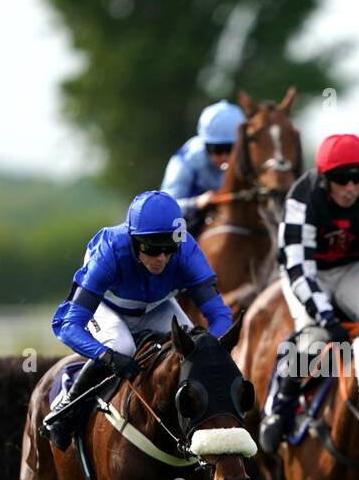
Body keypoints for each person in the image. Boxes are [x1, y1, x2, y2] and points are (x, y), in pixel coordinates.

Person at [257, 133, 359, 453]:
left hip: (349, 270)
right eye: (342, 179)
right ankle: (280, 408)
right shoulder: (302, 199)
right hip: (305, 273)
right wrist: (328, 318)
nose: (351, 187)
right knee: (313, 339)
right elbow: (299, 269)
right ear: (325, 178)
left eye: (358, 178)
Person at [43, 189, 233, 450]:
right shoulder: (109, 252)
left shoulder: (187, 252)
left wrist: (210, 350)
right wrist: (107, 357)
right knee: (122, 347)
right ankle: (67, 407)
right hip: (107, 307)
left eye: (169, 248)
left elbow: (221, 316)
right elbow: (68, 325)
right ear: (133, 241)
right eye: (151, 248)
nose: (161, 258)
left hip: (157, 307)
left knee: (191, 349)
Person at [159, 100, 247, 236]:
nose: (224, 157)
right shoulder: (187, 159)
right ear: (204, 144)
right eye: (216, 149)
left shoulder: (250, 157)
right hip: (192, 222)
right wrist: (196, 203)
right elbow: (163, 208)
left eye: (231, 149)